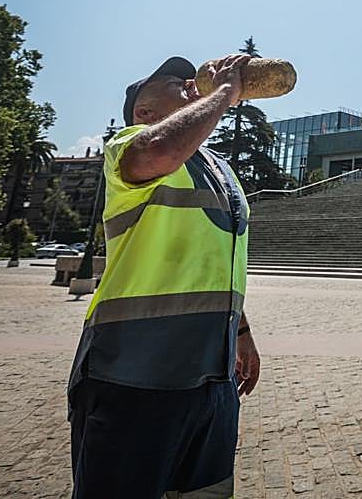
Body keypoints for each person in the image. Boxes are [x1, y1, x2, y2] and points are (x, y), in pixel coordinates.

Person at [67, 55, 263, 499]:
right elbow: (159, 151)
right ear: (144, 111)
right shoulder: (130, 144)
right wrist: (225, 94)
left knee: (206, 491)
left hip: (212, 379)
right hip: (134, 374)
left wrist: (243, 332)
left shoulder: (218, 169)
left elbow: (212, 258)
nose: (192, 83)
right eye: (177, 82)